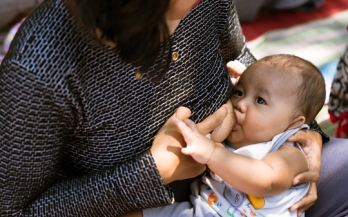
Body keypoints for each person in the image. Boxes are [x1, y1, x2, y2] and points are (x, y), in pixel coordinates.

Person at [0, 0, 347, 216]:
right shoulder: (40, 67)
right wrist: (152, 173)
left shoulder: (202, 5)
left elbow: (247, 63)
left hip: (249, 171)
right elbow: (13, 210)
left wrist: (300, 135)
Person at [121, 54, 325, 217]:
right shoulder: (231, 135)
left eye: (260, 100)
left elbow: (267, 180)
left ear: (294, 124)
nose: (241, 104)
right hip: (199, 209)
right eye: (239, 92)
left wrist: (212, 154)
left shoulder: (289, 152)